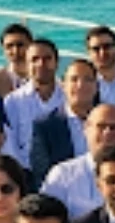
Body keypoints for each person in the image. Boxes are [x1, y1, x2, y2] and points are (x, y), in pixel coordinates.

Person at [42, 104, 115, 222]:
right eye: (101, 126)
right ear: (86, 129)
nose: (107, 132)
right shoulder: (62, 175)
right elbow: (46, 221)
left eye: (114, 127)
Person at [28, 57, 99, 185]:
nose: (80, 85)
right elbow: (42, 174)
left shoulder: (110, 121)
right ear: (63, 85)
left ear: (96, 86)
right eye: (74, 79)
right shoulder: (46, 126)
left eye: (88, 79)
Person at [3, 38, 66, 167]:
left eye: (47, 59)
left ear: (57, 63)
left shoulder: (69, 96)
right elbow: (11, 144)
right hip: (26, 173)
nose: (41, 64)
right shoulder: (13, 101)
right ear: (27, 65)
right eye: (34, 59)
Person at [0, 22, 33, 99]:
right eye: (9, 46)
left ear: (31, 46)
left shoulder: (40, 76)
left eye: (20, 45)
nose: (15, 51)